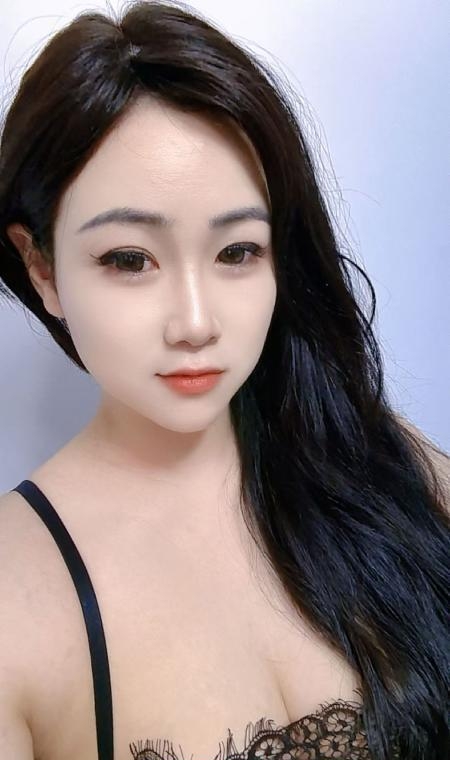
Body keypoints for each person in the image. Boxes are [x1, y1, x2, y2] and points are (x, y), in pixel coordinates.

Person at [0, 2, 448, 759]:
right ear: (41, 267)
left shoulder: (381, 463)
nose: (196, 322)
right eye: (130, 259)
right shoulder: (15, 602)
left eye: (237, 251)